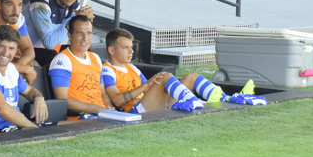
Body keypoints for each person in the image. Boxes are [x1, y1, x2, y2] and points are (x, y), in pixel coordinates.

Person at [102, 28, 249, 114]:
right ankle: (194, 101)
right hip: (135, 112)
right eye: (125, 48)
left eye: (131, 47)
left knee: (191, 77)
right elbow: (117, 100)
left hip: (150, 105)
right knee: (165, 77)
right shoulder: (107, 70)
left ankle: (225, 98)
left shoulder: (131, 67)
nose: (131, 51)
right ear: (112, 50)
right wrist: (148, 85)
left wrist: (154, 87)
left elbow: (149, 91)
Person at [0, 25, 48, 131]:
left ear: (16, 52)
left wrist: (39, 98)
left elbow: (29, 91)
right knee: (47, 136)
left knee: (67, 128)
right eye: (1, 46)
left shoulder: (11, 68)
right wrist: (34, 129)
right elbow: (2, 109)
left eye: (11, 48)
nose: (6, 53)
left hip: (17, 125)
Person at [48, 16, 111, 118]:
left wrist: (109, 108)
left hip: (101, 114)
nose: (85, 38)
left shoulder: (95, 57)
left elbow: (103, 93)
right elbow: (62, 99)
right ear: (70, 36)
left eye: (89, 33)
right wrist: (95, 109)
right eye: (80, 33)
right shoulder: (62, 60)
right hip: (81, 118)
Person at [27, 0, 95, 51]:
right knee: (51, 55)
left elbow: (79, 34)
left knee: (85, 50)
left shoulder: (73, 5)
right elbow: (49, 43)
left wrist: (88, 19)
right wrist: (75, 21)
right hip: (24, 49)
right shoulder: (42, 4)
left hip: (47, 49)